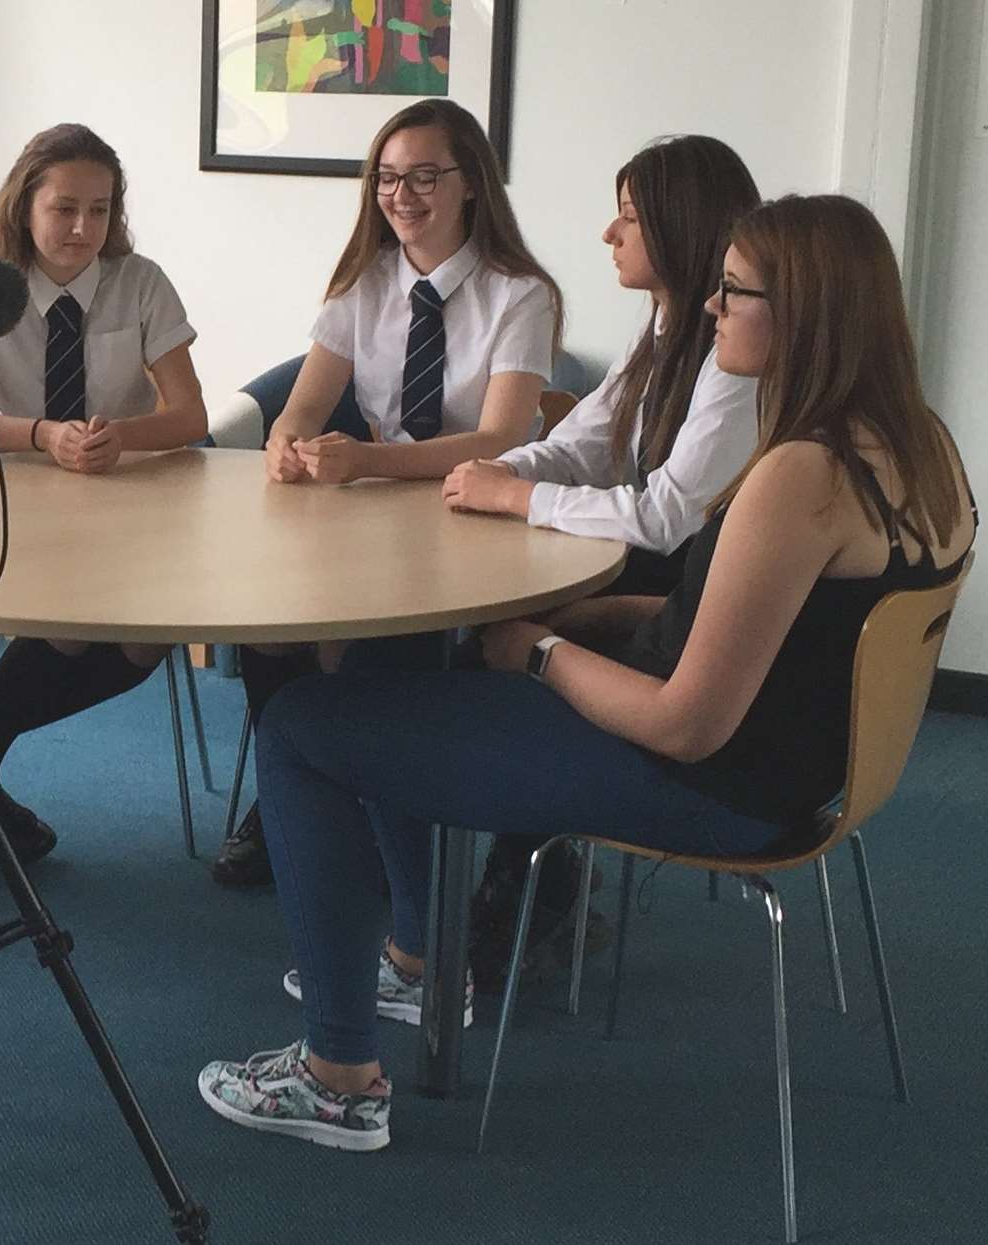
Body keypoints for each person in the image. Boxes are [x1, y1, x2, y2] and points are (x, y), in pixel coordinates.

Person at [196, 194, 975, 1152]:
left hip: (714, 784)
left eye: (733, 293)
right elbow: (784, 629)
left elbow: (685, 723)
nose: (708, 311)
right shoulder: (919, 444)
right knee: (387, 685)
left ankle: (339, 1074)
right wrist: (589, 617)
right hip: (806, 768)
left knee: (305, 727)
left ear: (806, 312)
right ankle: (411, 954)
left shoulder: (799, 477)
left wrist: (540, 650)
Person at [438, 134, 762, 989]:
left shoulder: (734, 361)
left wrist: (515, 498)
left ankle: (524, 881)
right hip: (656, 582)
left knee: (489, 651)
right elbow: (581, 442)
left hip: (685, 603)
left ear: (679, 229)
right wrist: (505, 470)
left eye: (627, 218)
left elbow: (663, 517)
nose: (606, 235)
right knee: (473, 637)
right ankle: (520, 869)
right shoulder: (662, 328)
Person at [214, 98, 563, 890]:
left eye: (423, 177)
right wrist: (283, 446)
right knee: (269, 631)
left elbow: (500, 438)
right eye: (386, 179)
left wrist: (367, 460)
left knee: (357, 650)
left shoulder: (519, 294)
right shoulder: (364, 280)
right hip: (369, 513)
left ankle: (374, 809)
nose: (401, 196)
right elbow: (300, 406)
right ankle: (285, 800)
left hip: (474, 512)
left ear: (471, 183)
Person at [0, 122, 208, 861]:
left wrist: (123, 433)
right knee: (68, 624)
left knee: (142, 644)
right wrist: (42, 436)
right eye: (64, 208)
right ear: (26, 205)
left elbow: (190, 415)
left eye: (101, 209)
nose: (84, 227)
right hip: (23, 493)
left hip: (130, 493)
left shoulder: (139, 280)